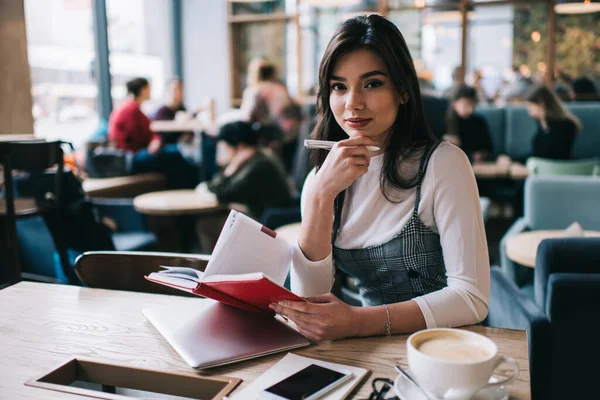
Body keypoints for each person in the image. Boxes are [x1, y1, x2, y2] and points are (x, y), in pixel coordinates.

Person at [269, 15, 489, 341]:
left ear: (402, 91)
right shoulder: (321, 179)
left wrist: (357, 321)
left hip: (446, 350)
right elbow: (309, 302)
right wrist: (319, 196)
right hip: (364, 352)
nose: (353, 103)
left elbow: (472, 298)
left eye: (372, 84)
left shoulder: (444, 165)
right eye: (339, 87)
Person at [194, 121, 293, 252]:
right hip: (264, 216)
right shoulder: (258, 158)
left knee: (206, 225)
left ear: (239, 147)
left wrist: (230, 169)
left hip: (270, 222)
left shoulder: (259, 165)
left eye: (224, 148)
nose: (221, 152)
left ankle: (217, 267)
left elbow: (225, 193)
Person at [108, 77, 198, 188]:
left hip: (132, 153)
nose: (151, 91)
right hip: (131, 157)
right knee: (178, 154)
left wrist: (155, 140)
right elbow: (140, 137)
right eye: (149, 88)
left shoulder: (131, 107)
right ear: (143, 90)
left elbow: (146, 134)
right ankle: (184, 189)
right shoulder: (131, 110)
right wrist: (155, 141)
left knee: (176, 153)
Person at [525, 84, 581, 160]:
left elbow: (547, 155)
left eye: (530, 106)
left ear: (541, 104)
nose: (529, 111)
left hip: (556, 168)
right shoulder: (541, 123)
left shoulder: (566, 125)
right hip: (541, 166)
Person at [443, 85, 493, 163]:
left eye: (472, 104)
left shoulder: (479, 122)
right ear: (454, 103)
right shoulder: (446, 122)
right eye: (466, 104)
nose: (470, 109)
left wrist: (482, 154)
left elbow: (489, 148)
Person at [152, 78, 190, 144]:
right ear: (168, 91)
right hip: (165, 145)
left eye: (180, 89)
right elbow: (158, 134)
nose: (178, 92)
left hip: (182, 145)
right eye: (175, 90)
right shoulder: (162, 112)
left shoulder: (183, 109)